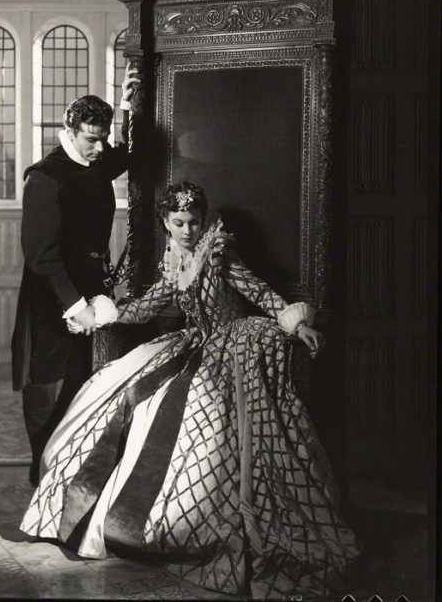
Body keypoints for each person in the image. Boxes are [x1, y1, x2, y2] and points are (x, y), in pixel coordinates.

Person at [20, 181, 361, 600]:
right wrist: (104, 316)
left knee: (199, 419)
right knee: (122, 394)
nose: (187, 231)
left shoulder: (218, 252)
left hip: (235, 341)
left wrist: (296, 321)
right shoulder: (173, 261)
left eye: (193, 222)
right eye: (178, 223)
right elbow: (149, 305)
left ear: (204, 222)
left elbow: (257, 290)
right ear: (166, 223)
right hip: (195, 342)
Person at [11, 65, 139, 487]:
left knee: (87, 383)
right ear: (70, 130)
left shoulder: (96, 160)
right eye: (91, 138)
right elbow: (42, 257)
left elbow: (126, 153)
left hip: (92, 291)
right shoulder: (46, 177)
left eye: (102, 137)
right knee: (49, 386)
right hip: (55, 298)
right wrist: (75, 306)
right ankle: (43, 479)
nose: (101, 148)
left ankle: (72, 481)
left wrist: (126, 107)